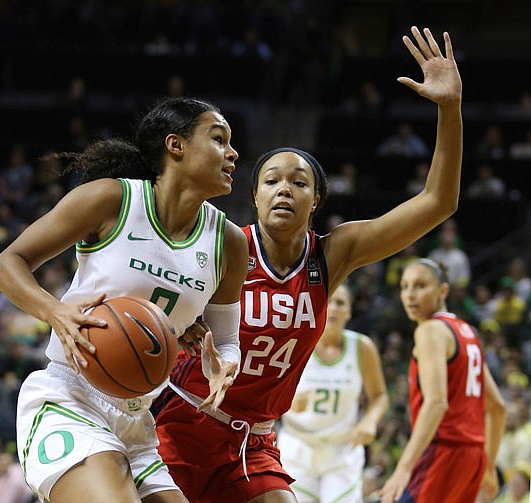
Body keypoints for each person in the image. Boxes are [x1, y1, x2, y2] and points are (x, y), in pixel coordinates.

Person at [154, 26, 465, 502]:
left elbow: (438, 201)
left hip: (252, 440)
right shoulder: (222, 244)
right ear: (254, 196)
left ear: (315, 199)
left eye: (298, 183)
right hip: (183, 422)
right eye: (271, 180)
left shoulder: (332, 253)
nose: (284, 188)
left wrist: (449, 108)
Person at [0, 96, 249, 503]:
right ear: (175, 145)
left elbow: (228, 340)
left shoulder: (229, 242)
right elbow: (6, 265)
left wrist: (224, 364)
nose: (232, 153)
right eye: (219, 139)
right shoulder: (112, 200)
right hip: (68, 396)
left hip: (135, 420)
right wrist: (55, 312)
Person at [379, 259, 507, 503]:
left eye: (420, 286)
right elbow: (497, 407)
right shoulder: (467, 332)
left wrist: (403, 468)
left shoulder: (430, 330)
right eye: (404, 286)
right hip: (473, 456)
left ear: (443, 291)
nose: (410, 295)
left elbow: (437, 403)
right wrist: (489, 467)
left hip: (442, 451)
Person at [275, 283, 388, 502]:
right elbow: (264, 393)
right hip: (297, 448)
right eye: (329, 301)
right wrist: (285, 402)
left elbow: (380, 396)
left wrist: (370, 421)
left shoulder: (362, 347)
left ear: (350, 311)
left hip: (341, 450)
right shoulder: (294, 341)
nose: (334, 308)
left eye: (341, 303)